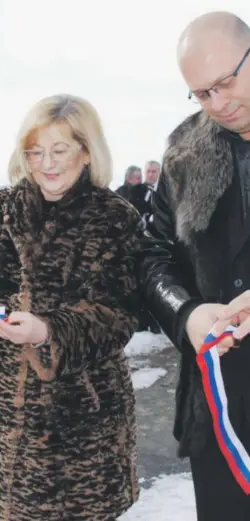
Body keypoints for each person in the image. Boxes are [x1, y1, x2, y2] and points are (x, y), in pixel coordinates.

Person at [0, 94, 142, 521]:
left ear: (86, 150)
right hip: (5, 416)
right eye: (35, 151)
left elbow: (119, 314)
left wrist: (49, 332)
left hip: (85, 422)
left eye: (59, 150)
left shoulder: (116, 218)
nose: (47, 163)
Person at [139, 11, 250, 521]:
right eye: (202, 94)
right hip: (219, 405)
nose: (218, 104)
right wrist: (186, 314)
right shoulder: (184, 155)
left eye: (226, 82)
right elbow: (151, 254)